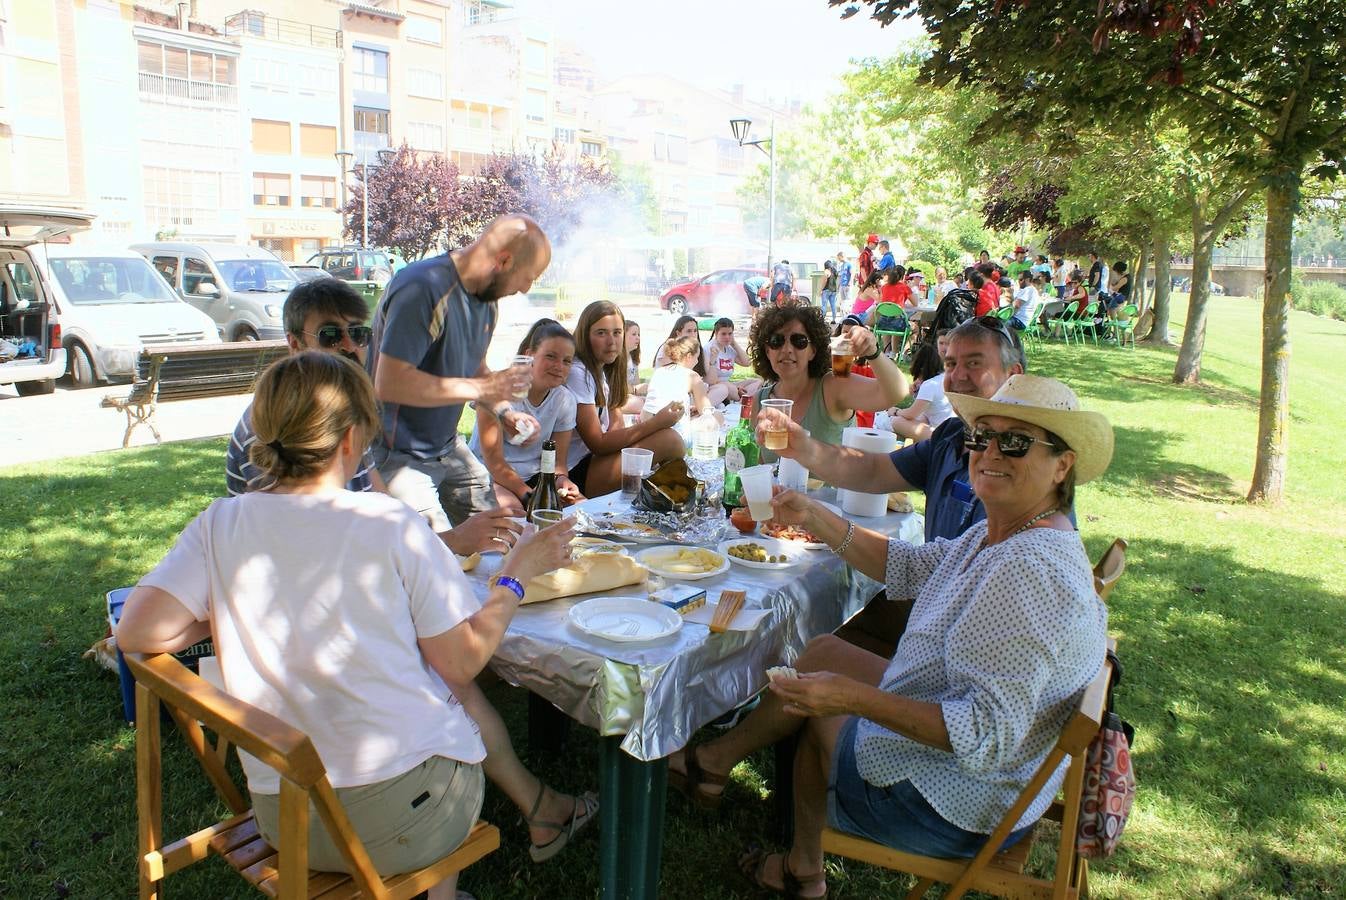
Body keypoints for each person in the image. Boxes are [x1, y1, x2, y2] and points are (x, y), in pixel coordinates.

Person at [116, 353, 596, 899]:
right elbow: (463, 661)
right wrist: (516, 574)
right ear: (350, 441)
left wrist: (234, 600)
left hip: (287, 817)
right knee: (456, 714)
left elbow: (136, 630)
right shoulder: (388, 523)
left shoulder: (220, 523)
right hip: (404, 817)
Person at [676, 374, 1112, 899]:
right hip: (986, 755)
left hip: (956, 802)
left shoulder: (1026, 571)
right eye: (982, 436)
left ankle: (802, 868)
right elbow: (908, 565)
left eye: (1015, 442)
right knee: (821, 653)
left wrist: (852, 699)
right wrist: (815, 514)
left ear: (1062, 465)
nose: (989, 452)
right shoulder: (1010, 528)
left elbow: (985, 733)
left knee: (822, 706)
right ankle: (719, 762)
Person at [366, 214, 549, 544]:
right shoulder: (423, 287)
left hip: (447, 447)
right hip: (395, 453)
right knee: (431, 555)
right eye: (528, 278)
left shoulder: (486, 303)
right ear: (503, 260)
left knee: (501, 539)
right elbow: (389, 382)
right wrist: (483, 388)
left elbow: (474, 367)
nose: (525, 288)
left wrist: (507, 413)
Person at [226, 278, 386, 499]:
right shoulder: (272, 428)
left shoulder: (346, 406)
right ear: (295, 344)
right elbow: (295, 523)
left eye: (357, 333)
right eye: (330, 335)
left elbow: (376, 487)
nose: (350, 346)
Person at [746, 304, 909, 463]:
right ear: (767, 351)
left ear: (813, 351)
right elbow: (761, 460)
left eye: (799, 341)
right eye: (776, 341)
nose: (787, 349)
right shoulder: (761, 399)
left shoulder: (832, 387)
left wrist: (873, 352)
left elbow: (897, 392)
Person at [566, 301, 684, 496]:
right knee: (670, 440)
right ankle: (669, 496)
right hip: (574, 474)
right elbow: (598, 443)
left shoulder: (599, 371)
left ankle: (666, 494)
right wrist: (657, 422)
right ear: (585, 335)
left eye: (617, 332)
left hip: (592, 462)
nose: (611, 342)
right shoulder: (579, 373)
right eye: (601, 333)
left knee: (666, 438)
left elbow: (616, 428)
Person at [472, 320, 583, 509]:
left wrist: (562, 481)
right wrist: (530, 495)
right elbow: (494, 461)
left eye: (566, 361)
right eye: (550, 356)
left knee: (583, 509)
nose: (559, 366)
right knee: (517, 517)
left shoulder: (565, 400)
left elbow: (558, 463)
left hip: (535, 479)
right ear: (529, 355)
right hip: (489, 476)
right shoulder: (498, 389)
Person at [640, 336, 719, 435]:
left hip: (646, 426)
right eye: (697, 358)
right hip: (673, 432)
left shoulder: (659, 371)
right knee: (718, 417)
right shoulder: (692, 376)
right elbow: (706, 411)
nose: (697, 362)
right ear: (689, 356)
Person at [888, 342, 954, 442]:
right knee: (921, 416)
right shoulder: (943, 378)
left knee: (896, 421)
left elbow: (911, 414)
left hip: (942, 434)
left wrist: (896, 411)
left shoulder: (929, 385)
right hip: (951, 427)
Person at [653, 315, 726, 405]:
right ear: (678, 333)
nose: (693, 334)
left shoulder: (698, 349)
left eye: (695, 331)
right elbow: (671, 379)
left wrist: (713, 360)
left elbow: (711, 381)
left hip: (693, 392)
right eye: (689, 331)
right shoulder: (668, 348)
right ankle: (700, 407)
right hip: (674, 393)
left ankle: (697, 407)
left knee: (722, 389)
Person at [704, 317, 763, 404]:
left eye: (730, 333)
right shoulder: (709, 348)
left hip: (731, 385)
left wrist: (734, 344)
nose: (727, 337)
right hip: (716, 386)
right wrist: (736, 388)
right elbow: (710, 380)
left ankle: (742, 399)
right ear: (716, 333)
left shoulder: (729, 347)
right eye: (723, 334)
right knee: (729, 388)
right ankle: (743, 401)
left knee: (758, 381)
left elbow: (747, 363)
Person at [819, 259, 839, 323]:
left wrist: (821, 289)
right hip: (833, 290)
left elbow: (824, 281)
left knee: (824, 305)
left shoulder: (826, 271)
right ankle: (834, 319)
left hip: (826, 290)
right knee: (833, 305)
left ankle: (822, 319)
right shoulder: (834, 271)